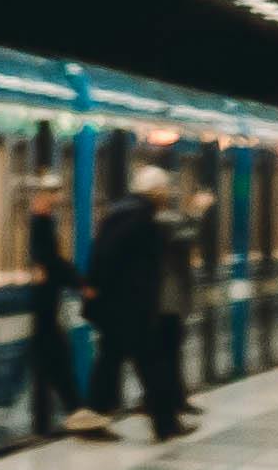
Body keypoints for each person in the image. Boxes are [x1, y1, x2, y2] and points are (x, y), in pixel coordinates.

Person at [89, 165, 194, 440]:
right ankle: (165, 424)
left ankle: (93, 417)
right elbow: (111, 257)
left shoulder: (125, 211)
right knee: (151, 363)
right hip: (131, 307)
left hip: (122, 306)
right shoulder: (139, 216)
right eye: (165, 189)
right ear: (156, 191)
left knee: (111, 361)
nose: (167, 194)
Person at [20, 178, 84, 437]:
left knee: (53, 356)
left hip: (47, 306)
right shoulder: (40, 226)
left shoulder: (42, 224)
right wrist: (80, 282)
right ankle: (73, 409)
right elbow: (51, 261)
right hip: (45, 306)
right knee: (55, 356)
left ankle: (71, 409)